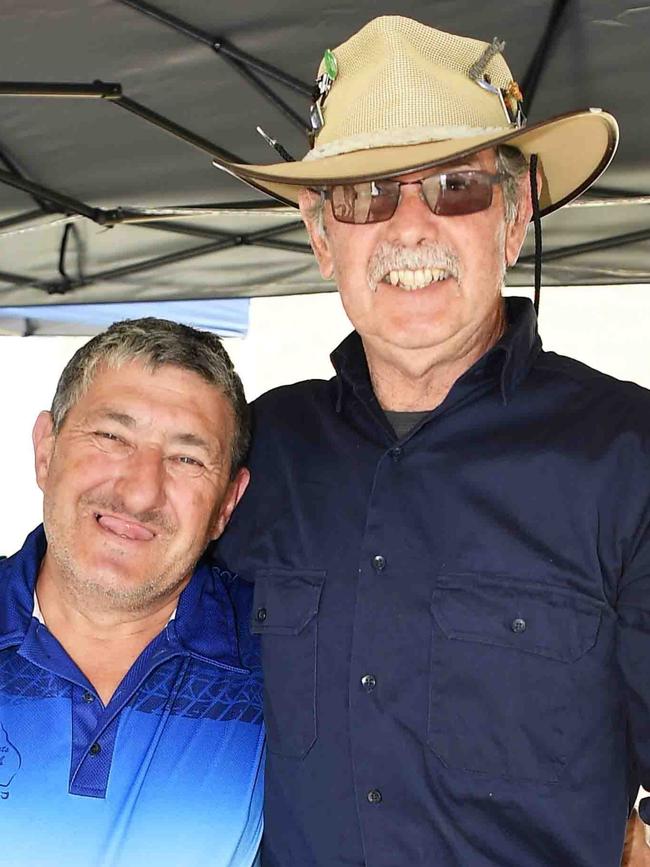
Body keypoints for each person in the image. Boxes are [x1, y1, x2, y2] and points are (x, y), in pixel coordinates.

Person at [215, 15, 650, 867]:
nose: (409, 226)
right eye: (367, 192)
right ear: (319, 234)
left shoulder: (629, 456)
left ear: (514, 216)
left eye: (456, 185)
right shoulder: (257, 450)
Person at [0, 318, 263, 866]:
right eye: (112, 437)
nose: (142, 492)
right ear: (45, 452)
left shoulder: (283, 653)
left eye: (187, 459)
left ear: (227, 504)